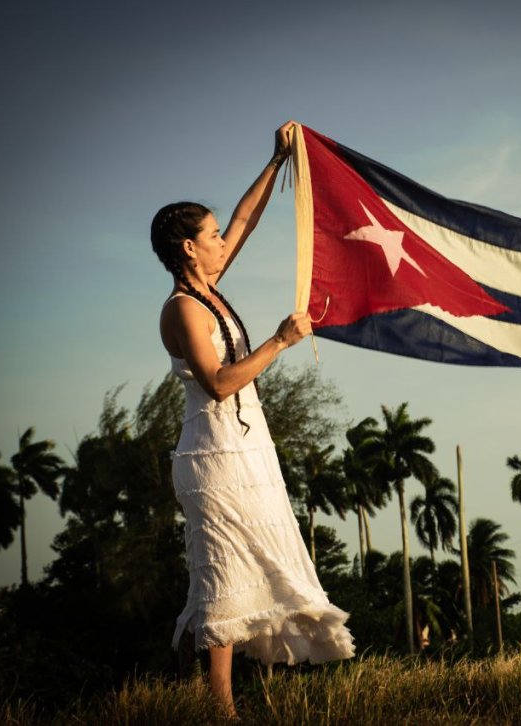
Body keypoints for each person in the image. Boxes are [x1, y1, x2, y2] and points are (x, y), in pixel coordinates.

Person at [150, 121, 354, 716]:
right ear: (187, 247)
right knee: (221, 571)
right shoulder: (185, 309)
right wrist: (279, 341)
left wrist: (276, 160)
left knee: (241, 567)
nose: (222, 241)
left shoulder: (209, 286)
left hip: (246, 450)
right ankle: (221, 708)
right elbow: (217, 385)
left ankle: (194, 692)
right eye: (210, 236)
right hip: (211, 454)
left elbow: (245, 220)